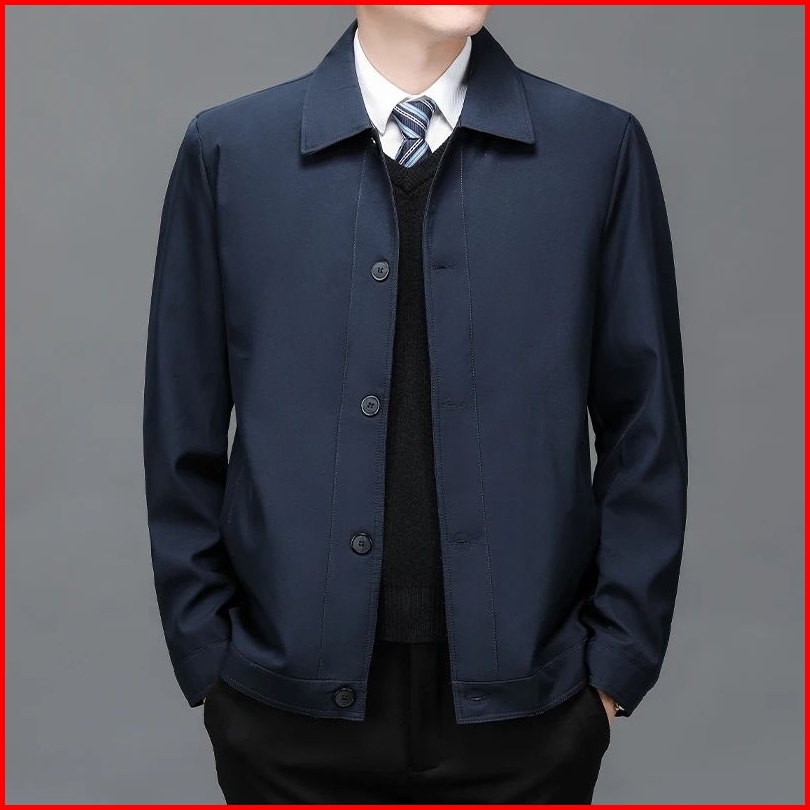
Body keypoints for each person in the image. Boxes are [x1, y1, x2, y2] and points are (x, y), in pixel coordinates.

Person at [143, 5, 687, 804]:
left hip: (531, 715)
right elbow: (179, 429)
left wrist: (612, 672)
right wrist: (209, 661)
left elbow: (648, 431)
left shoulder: (597, 150)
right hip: (282, 712)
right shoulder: (230, 152)